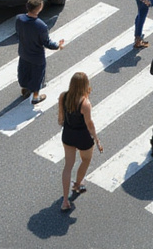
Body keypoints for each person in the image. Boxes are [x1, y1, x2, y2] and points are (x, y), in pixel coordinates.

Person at [58, 72, 102, 211]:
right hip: (82, 136)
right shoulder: (85, 103)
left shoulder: (63, 96)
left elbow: (60, 118)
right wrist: (97, 139)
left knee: (68, 166)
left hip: (68, 134)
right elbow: (89, 124)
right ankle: (77, 184)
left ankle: (65, 200)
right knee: (86, 160)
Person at [15, 0, 64, 104]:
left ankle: (24, 89)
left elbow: (18, 32)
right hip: (36, 56)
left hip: (23, 52)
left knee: (24, 71)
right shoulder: (41, 26)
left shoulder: (19, 18)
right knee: (37, 76)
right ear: (39, 9)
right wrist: (58, 46)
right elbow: (46, 43)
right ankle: (36, 97)